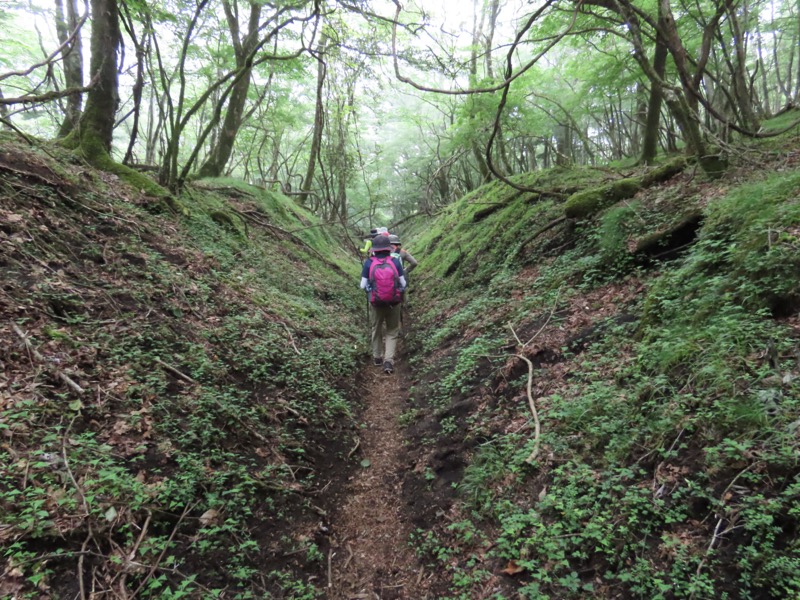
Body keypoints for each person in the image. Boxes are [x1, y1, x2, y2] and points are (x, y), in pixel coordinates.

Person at [360, 235, 406, 374]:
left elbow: (362, 285)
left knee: (376, 328)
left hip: (376, 303)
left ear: (374, 249)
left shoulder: (368, 263)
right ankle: (388, 361)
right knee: (392, 330)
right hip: (394, 302)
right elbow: (403, 283)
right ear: (388, 248)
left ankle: (377, 357)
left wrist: (370, 287)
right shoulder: (395, 261)